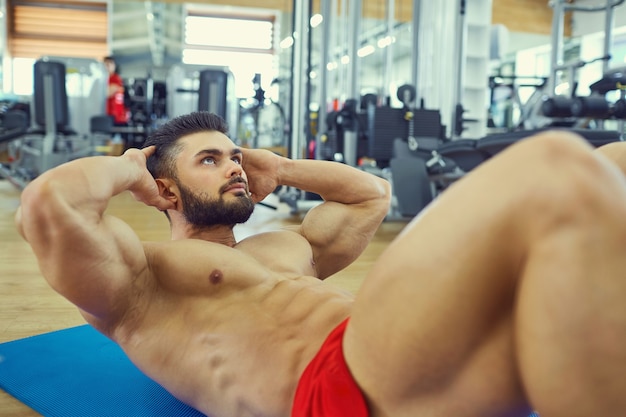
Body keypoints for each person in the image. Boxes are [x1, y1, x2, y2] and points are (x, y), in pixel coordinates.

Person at [15, 111, 626, 417]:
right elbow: (48, 205)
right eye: (210, 159)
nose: (233, 165)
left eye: (235, 155)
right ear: (166, 190)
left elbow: (369, 196)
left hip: (395, 370)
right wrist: (131, 166)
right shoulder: (142, 281)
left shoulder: (285, 246)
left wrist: (277, 170)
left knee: (614, 163)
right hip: (328, 391)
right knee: (557, 169)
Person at [103, 56, 129, 126]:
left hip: (115, 115)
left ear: (114, 66)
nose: (107, 66)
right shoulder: (102, 79)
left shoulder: (115, 78)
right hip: (106, 114)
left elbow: (107, 93)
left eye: (110, 63)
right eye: (105, 64)